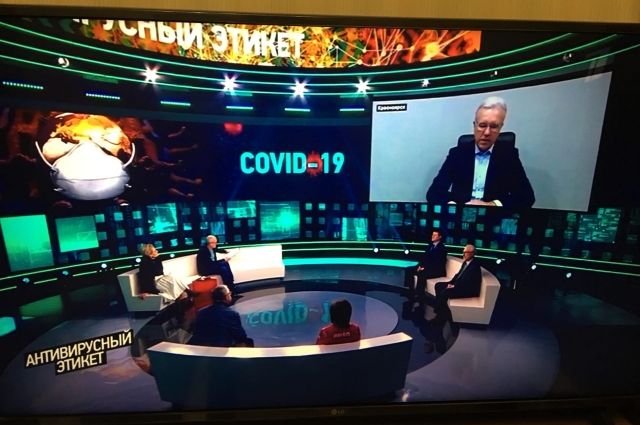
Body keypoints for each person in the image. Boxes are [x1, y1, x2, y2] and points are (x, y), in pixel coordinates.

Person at [426, 96, 535, 209]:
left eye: (494, 126)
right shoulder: (457, 154)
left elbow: (527, 196)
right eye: (482, 125)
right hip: (461, 213)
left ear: (500, 128)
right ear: (474, 125)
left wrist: (491, 205)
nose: (487, 132)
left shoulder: (509, 155)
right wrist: (456, 207)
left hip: (492, 215)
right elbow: (433, 193)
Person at [188, 285, 253, 347]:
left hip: (202, 349)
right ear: (226, 297)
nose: (230, 295)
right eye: (229, 294)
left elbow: (196, 333)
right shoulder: (231, 314)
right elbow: (240, 336)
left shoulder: (201, 312)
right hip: (221, 350)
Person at [431, 244, 482, 323]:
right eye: (463, 252)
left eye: (466, 252)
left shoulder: (475, 265)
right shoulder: (465, 262)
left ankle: (439, 312)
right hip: (459, 285)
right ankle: (442, 309)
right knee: (438, 285)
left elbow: (467, 281)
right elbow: (458, 275)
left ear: (472, 253)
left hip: (467, 289)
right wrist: (450, 282)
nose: (463, 254)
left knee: (446, 291)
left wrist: (454, 286)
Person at [413, 229, 448, 300]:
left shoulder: (442, 249)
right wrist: (420, 266)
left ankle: (419, 295)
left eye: (435, 235)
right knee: (410, 269)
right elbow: (423, 258)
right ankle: (410, 290)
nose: (432, 236)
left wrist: (424, 268)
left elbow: (437, 263)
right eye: (432, 235)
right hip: (427, 268)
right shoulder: (430, 246)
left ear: (440, 237)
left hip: (437, 271)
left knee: (422, 273)